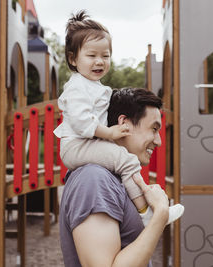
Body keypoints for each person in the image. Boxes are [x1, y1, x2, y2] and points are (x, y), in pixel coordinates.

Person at [54, 10, 184, 226]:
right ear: (72, 58)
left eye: (105, 56)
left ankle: (142, 208)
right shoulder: (76, 87)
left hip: (85, 144)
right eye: (92, 55)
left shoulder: (94, 87)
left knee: (123, 162)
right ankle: (146, 213)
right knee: (126, 160)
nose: (100, 61)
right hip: (76, 146)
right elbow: (80, 120)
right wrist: (109, 132)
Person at [60, 87, 175, 266]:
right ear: (124, 123)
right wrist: (160, 214)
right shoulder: (94, 180)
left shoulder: (110, 177)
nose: (159, 141)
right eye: (153, 129)